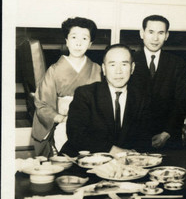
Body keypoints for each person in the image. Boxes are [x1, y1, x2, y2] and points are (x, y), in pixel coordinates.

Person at [61, 44, 153, 156]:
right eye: (112, 64)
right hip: (83, 161)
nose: (118, 71)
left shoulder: (142, 98)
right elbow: (77, 135)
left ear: (132, 68)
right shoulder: (86, 94)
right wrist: (113, 150)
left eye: (124, 64)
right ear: (104, 69)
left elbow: (144, 139)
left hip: (125, 165)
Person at [30, 17, 102, 157]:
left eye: (84, 39)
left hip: (89, 124)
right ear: (67, 41)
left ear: (90, 44)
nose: (78, 43)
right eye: (74, 37)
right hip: (62, 121)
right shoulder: (55, 70)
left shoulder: (97, 69)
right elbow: (42, 103)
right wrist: (60, 118)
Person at [129, 15, 186, 148]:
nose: (155, 38)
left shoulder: (177, 63)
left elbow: (181, 102)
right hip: (133, 137)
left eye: (160, 33)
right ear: (142, 33)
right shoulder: (129, 60)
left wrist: (167, 133)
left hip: (169, 138)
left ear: (167, 35)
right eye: (151, 32)